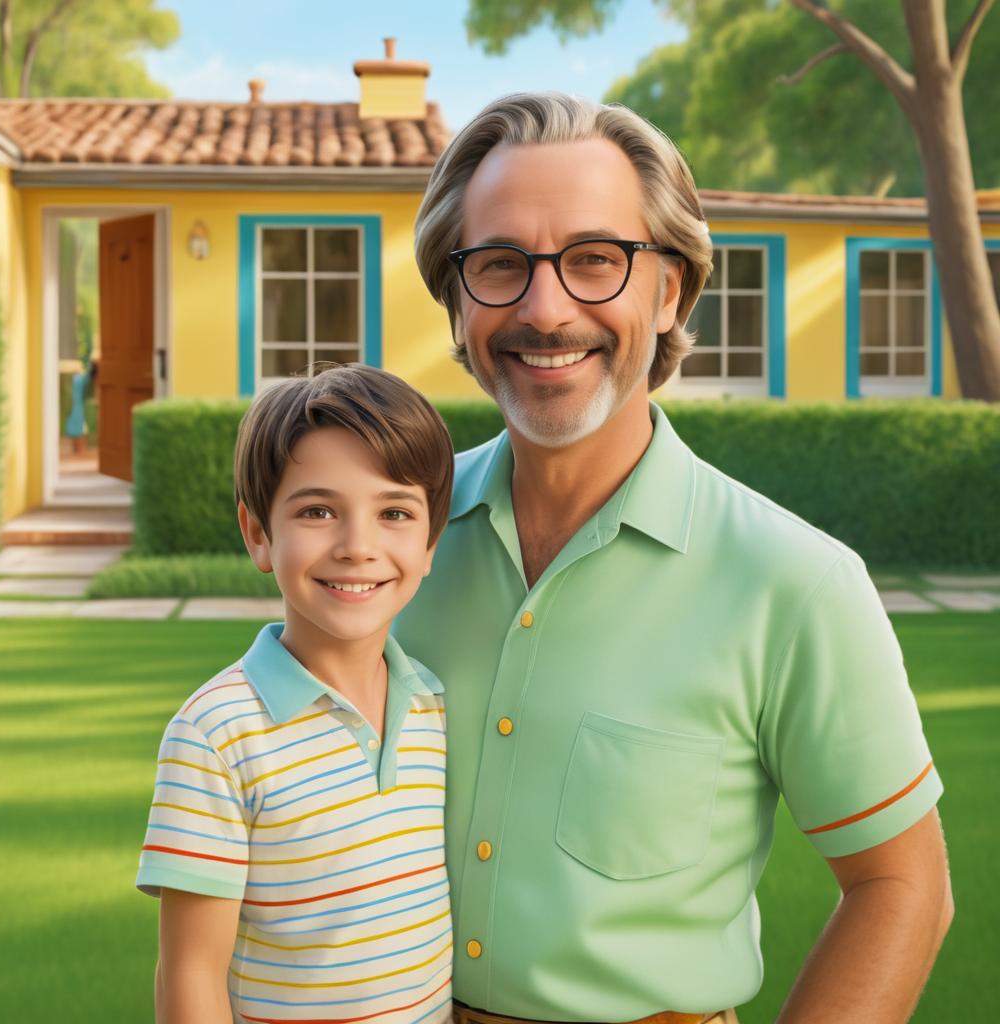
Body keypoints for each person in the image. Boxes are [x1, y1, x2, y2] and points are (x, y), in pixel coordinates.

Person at [393, 93, 952, 1024]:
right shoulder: (386, 554)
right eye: (498, 265)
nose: (544, 307)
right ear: (456, 302)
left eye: (595, 261)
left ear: (672, 290)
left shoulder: (796, 585)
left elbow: (904, 887)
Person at [136, 363, 455, 1024]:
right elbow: (191, 972)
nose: (357, 546)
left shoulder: (437, 707)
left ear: (430, 543)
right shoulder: (217, 735)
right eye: (317, 511)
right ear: (258, 533)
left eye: (394, 512)